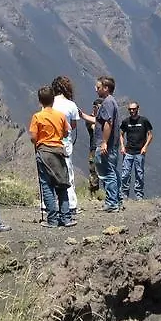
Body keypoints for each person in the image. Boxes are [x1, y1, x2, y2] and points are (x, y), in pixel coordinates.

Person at [29, 85, 75, 227]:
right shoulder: (60, 115)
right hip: (59, 151)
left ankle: (52, 220)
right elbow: (67, 132)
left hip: (43, 152)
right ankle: (66, 218)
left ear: (40, 101)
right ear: (53, 100)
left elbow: (33, 137)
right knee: (62, 184)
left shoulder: (37, 117)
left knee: (47, 186)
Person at [79, 75, 121, 212]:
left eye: (98, 87)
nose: (96, 90)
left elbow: (108, 122)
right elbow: (99, 120)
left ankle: (112, 202)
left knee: (107, 173)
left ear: (106, 88)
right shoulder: (111, 101)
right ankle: (117, 199)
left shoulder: (107, 103)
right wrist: (83, 116)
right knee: (113, 172)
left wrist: (104, 142)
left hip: (106, 146)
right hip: (111, 145)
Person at [50, 75, 81, 214]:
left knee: (51, 173)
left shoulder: (50, 104)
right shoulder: (71, 105)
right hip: (66, 142)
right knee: (68, 172)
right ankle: (71, 204)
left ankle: (51, 204)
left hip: (51, 141)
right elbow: (73, 126)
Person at [119, 101, 154, 200]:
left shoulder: (144, 121)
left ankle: (139, 195)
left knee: (139, 174)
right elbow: (121, 134)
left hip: (139, 152)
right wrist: (122, 146)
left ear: (138, 109)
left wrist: (145, 146)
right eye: (130, 109)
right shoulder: (126, 122)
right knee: (125, 174)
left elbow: (150, 135)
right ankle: (124, 195)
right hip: (128, 151)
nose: (132, 111)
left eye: (134, 109)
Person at [86, 98, 103, 198]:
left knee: (105, 171)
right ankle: (93, 193)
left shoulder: (104, 118)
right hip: (94, 148)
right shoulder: (90, 119)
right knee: (93, 171)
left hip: (103, 147)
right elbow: (95, 128)